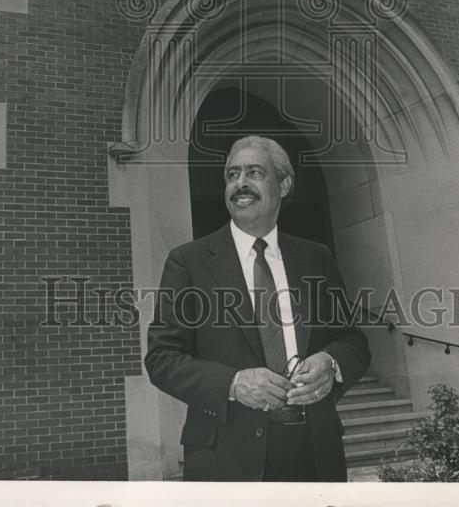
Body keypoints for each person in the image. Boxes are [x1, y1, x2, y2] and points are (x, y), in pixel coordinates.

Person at [144, 135, 370, 482]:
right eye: (232, 175)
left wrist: (332, 363)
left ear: (284, 183)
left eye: (254, 173)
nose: (240, 184)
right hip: (226, 459)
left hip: (315, 453)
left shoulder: (316, 258)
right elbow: (161, 358)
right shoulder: (188, 262)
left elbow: (352, 341)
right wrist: (232, 383)